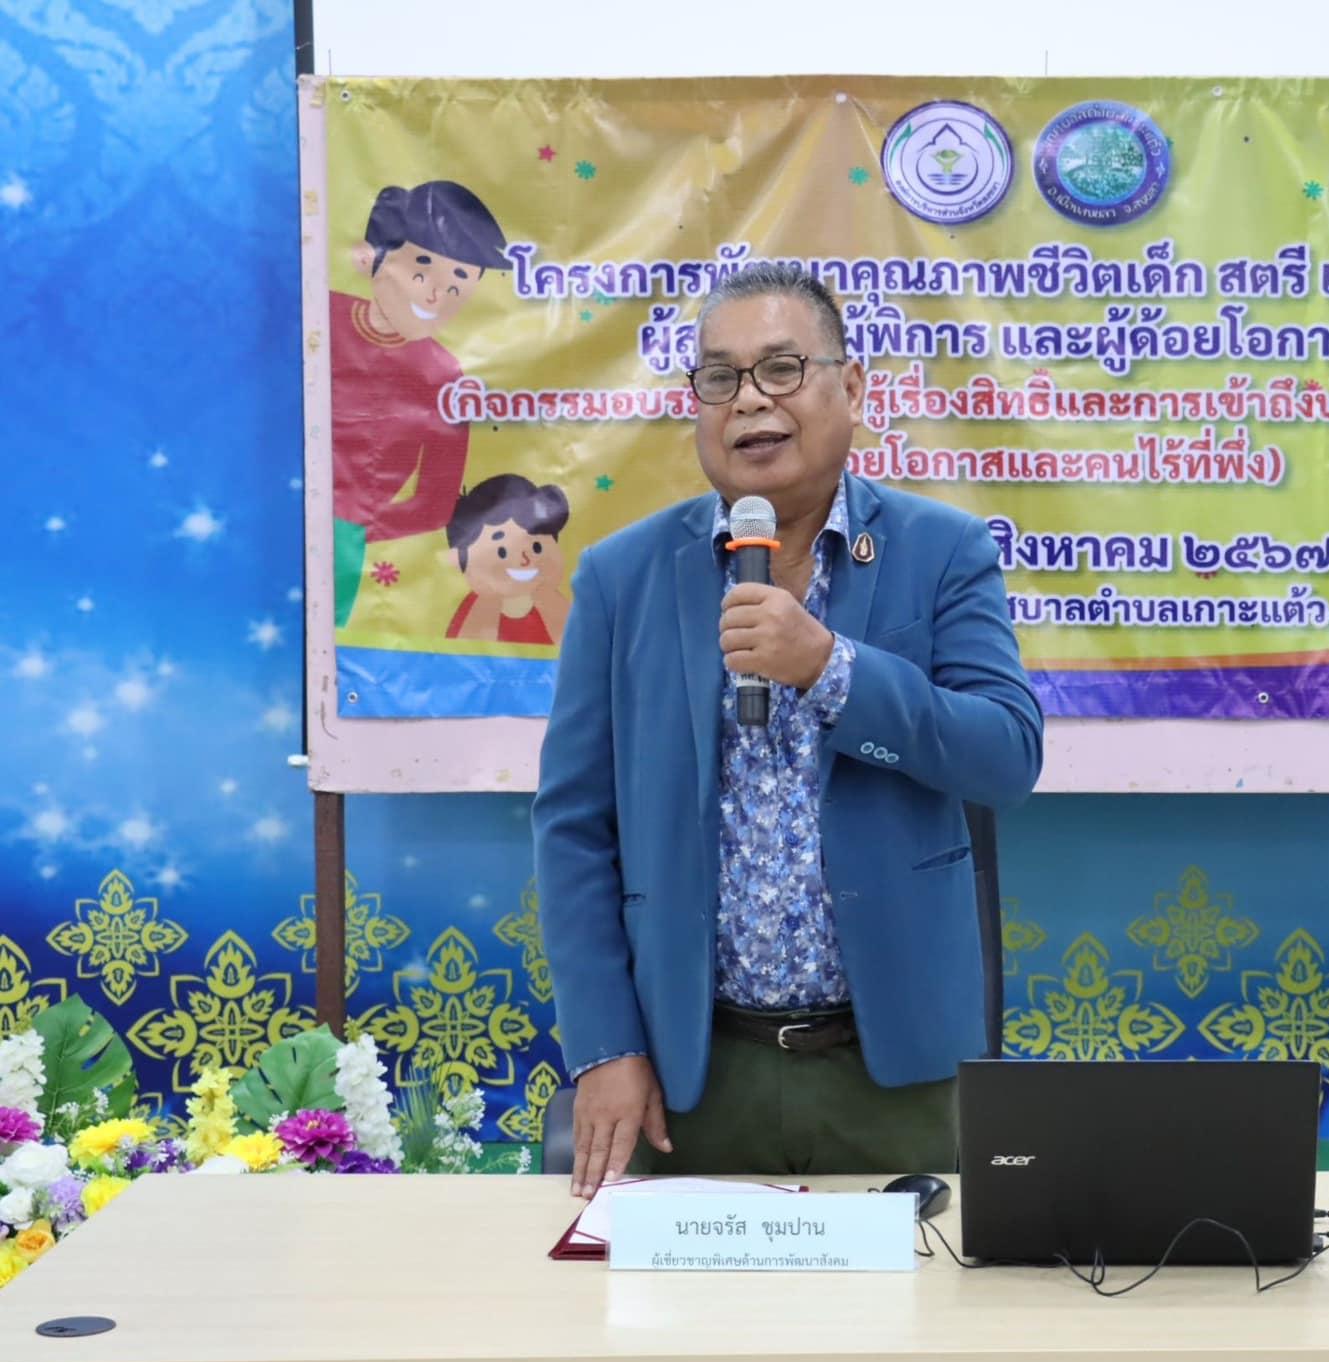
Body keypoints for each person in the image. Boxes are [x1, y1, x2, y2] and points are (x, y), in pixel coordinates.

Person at [533, 263, 1043, 1195]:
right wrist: (606, 1044)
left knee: (915, 1293)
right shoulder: (622, 578)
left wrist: (830, 667)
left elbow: (1006, 756)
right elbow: (573, 828)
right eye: (719, 377)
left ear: (853, 388)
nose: (748, 401)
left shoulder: (942, 552)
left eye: (780, 368)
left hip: (892, 1069)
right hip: (689, 1072)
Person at [331, 180, 510, 627]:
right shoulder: (319, 317)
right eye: (421, 270)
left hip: (342, 546)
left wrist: (351, 528)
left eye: (458, 285)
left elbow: (434, 503)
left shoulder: (444, 374)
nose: (435, 295)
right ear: (369, 258)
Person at [444, 474, 571, 645]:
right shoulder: (481, 607)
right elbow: (468, 651)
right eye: (502, 552)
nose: (525, 561)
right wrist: (490, 600)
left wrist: (547, 597)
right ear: (461, 559)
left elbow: (578, 641)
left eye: (536, 548)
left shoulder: (551, 602)